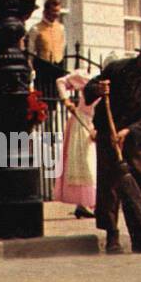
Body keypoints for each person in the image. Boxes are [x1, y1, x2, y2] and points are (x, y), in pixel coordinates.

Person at [83, 32, 141, 254]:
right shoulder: (117, 69)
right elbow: (90, 90)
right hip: (109, 134)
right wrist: (98, 89)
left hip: (136, 138)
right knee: (109, 187)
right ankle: (112, 234)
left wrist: (130, 131)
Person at [54, 69, 98, 218]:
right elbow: (61, 81)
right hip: (82, 123)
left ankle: (93, 204)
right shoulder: (88, 79)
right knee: (85, 163)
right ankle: (84, 203)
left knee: (97, 164)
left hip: (97, 126)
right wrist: (66, 99)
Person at [27, 0, 67, 101]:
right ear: (45, 11)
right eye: (53, 11)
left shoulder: (61, 28)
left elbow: (62, 47)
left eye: (58, 11)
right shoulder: (35, 29)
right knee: (43, 99)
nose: (56, 14)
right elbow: (30, 52)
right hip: (43, 68)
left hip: (58, 67)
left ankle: (52, 116)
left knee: (56, 98)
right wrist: (31, 69)